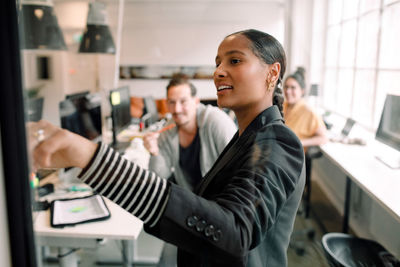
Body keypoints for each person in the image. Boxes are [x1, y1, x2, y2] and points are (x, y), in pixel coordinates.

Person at [29, 29, 305, 266]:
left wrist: (91, 158)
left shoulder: (279, 141)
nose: (218, 71)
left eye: (234, 60)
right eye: (218, 62)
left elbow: (234, 232)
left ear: (273, 72)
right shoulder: (249, 136)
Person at [143, 73, 237, 191]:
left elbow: (238, 167)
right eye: (172, 102)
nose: (177, 109)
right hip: (192, 199)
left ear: (196, 102)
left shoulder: (216, 121)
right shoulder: (168, 129)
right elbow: (159, 177)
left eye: (183, 102)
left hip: (220, 196)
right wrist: (154, 152)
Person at [283, 67, 328, 149]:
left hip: (292, 157)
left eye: (293, 88)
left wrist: (299, 142)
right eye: (286, 87)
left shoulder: (309, 112)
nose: (288, 91)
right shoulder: (282, 105)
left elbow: (323, 138)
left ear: (302, 91)